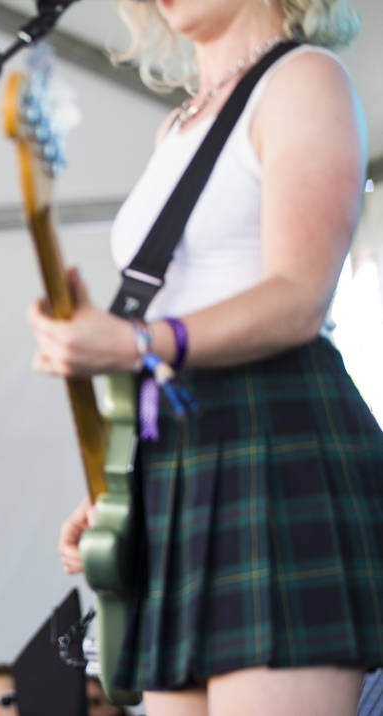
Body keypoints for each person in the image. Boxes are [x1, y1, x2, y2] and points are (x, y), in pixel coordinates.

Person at [29, 1, 382, 715]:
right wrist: (117, 488)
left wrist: (134, 341)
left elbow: (298, 297)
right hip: (183, 462)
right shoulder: (178, 125)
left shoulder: (305, 79)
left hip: (278, 445)